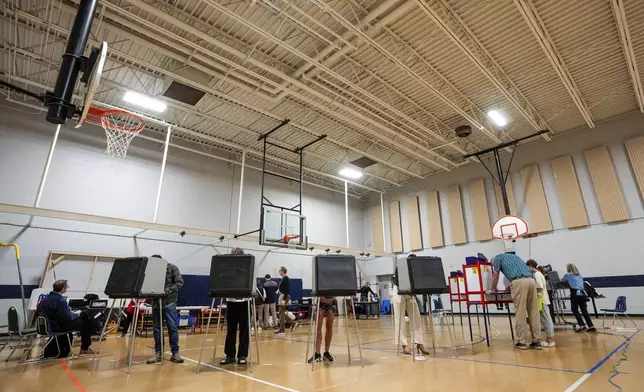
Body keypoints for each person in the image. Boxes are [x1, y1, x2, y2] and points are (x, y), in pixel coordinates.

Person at [490, 253, 542, 350]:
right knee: (534, 312)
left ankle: (521, 342)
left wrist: (492, 289)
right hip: (531, 281)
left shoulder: (497, 258)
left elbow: (495, 275)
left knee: (520, 312)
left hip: (519, 282)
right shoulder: (514, 257)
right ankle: (536, 341)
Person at [37, 280, 97, 355]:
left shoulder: (45, 299)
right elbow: (68, 318)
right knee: (87, 322)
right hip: (58, 327)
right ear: (63, 289)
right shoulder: (60, 300)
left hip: (49, 325)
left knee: (84, 320)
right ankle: (84, 348)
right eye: (67, 287)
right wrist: (77, 314)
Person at [147, 255, 184, 364]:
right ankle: (158, 353)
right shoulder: (151, 271)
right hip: (155, 303)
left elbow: (179, 282)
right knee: (157, 329)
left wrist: (167, 290)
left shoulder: (172, 268)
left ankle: (175, 352)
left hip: (169, 302)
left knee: (172, 327)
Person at [221, 248, 251, 365]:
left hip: (245, 302)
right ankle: (230, 355)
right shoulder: (228, 270)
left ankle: (242, 355)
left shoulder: (248, 268)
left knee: (244, 330)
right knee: (231, 330)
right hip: (231, 302)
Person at [391, 273, 429, 356]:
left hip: (410, 292)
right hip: (399, 290)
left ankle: (419, 342)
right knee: (400, 319)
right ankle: (404, 344)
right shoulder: (400, 264)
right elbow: (397, 280)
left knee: (416, 317)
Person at [527, 260, 556, 347]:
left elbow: (539, 287)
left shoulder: (537, 275)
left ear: (531, 265)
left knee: (546, 319)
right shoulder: (538, 274)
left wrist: (537, 298)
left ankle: (550, 340)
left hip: (542, 300)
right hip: (542, 299)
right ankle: (549, 339)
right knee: (545, 319)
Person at [561, 263, 596, 332]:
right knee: (584, 311)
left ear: (569, 268)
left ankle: (581, 325)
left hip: (575, 293)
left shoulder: (568, 275)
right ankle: (591, 326)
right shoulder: (580, 276)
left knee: (574, 309)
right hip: (582, 293)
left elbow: (561, 280)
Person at [308, 296, 337, 363]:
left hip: (332, 301)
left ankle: (326, 352)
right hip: (321, 301)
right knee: (318, 326)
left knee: (329, 326)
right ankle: (317, 354)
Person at [275, 266, 290, 336]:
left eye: (280, 270)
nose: (279, 271)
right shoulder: (284, 278)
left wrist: (284, 299)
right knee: (281, 313)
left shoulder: (286, 278)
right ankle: (281, 329)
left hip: (284, 296)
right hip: (282, 295)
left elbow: (287, 289)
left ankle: (282, 330)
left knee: (281, 313)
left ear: (283, 271)